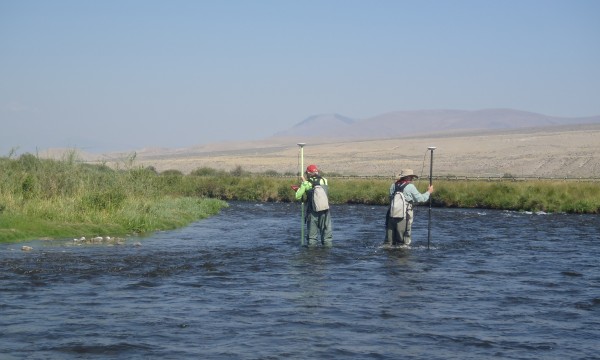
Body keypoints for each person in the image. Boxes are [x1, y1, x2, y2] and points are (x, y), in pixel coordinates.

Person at [384, 169, 433, 246]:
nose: (412, 179)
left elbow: (390, 199)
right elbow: (421, 199)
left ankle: (390, 257)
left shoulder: (393, 186)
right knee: (403, 242)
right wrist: (428, 192)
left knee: (389, 243)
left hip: (391, 215)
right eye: (411, 177)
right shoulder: (410, 186)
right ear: (408, 177)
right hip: (404, 216)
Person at [293, 164, 333, 247]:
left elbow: (298, 196)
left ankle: (311, 256)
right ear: (317, 172)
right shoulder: (325, 180)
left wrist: (299, 188)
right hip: (325, 211)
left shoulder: (306, 183)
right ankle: (327, 255)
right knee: (327, 237)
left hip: (312, 212)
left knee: (312, 238)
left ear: (308, 173)